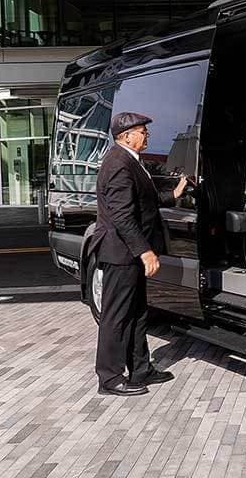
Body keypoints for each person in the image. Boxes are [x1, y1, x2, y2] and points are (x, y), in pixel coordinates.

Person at [94, 111, 188, 396]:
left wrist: (176, 191)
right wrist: (145, 251)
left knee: (136, 313)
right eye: (143, 132)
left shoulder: (130, 162)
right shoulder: (118, 164)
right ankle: (109, 379)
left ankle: (140, 370)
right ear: (126, 136)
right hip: (121, 254)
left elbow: (144, 201)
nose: (147, 136)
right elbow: (122, 216)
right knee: (117, 317)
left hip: (128, 254)